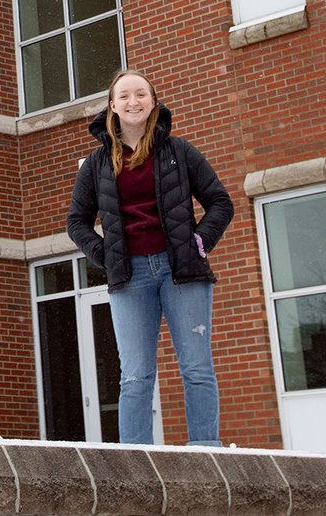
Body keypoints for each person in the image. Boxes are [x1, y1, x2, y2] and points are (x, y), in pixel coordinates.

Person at [67, 69, 233, 446]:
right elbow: (76, 221)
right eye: (124, 96)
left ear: (153, 102)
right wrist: (105, 255)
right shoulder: (97, 164)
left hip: (183, 272)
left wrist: (199, 243)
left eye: (140, 94)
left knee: (197, 368)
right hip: (130, 276)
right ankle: (136, 457)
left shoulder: (179, 152)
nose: (133, 101)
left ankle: (206, 448)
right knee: (136, 374)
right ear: (112, 106)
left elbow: (221, 202)